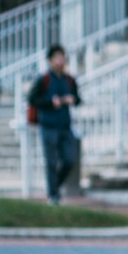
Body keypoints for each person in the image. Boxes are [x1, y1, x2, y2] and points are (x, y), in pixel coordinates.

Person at [25, 45, 80, 203]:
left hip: (65, 126)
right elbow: (32, 99)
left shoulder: (70, 80)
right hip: (48, 126)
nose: (60, 60)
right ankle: (53, 195)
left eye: (62, 57)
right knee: (51, 162)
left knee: (69, 160)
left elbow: (78, 98)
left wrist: (72, 100)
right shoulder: (44, 79)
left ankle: (53, 189)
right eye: (56, 57)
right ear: (50, 61)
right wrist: (50, 102)